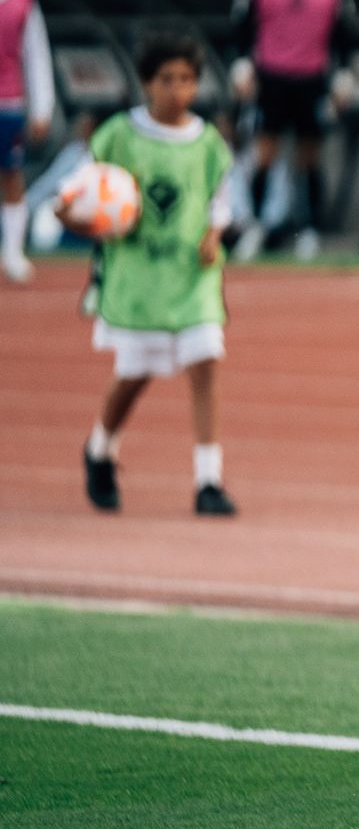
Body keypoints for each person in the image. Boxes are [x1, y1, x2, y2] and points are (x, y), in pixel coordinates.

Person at [64, 32, 238, 517]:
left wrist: (213, 235)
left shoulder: (206, 141)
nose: (178, 90)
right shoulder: (118, 136)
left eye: (187, 79)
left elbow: (219, 198)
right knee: (134, 375)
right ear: (146, 83)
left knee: (205, 364)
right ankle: (100, 448)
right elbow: (80, 196)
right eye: (167, 80)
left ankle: (209, 481)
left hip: (193, 277)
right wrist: (76, 218)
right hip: (138, 279)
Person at [229, 0, 351, 261]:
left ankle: (309, 230)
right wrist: (241, 65)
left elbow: (344, 32)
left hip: (311, 77)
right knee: (264, 154)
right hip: (272, 76)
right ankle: (255, 226)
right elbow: (241, 26)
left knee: (309, 157)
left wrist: (344, 75)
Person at [0, 0, 52, 284]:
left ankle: (13, 252)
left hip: (9, 101)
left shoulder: (22, 2)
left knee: (11, 175)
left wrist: (42, 107)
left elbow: (37, 55)